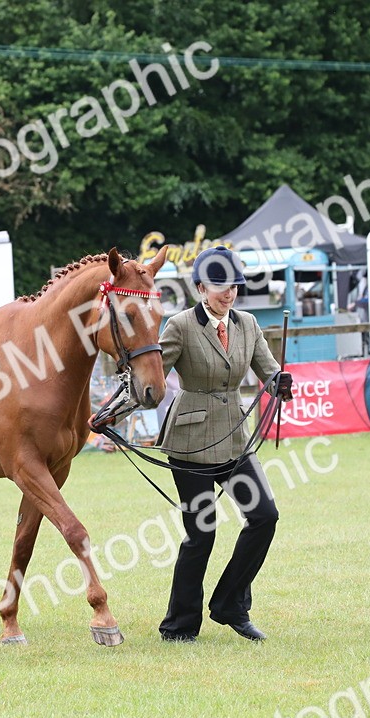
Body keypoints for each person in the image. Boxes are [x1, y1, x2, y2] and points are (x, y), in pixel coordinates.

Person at [157, 246, 294, 644]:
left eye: (234, 284)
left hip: (236, 439)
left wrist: (281, 383)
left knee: (265, 516)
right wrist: (117, 410)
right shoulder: (180, 325)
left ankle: (230, 605)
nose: (229, 292)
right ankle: (180, 625)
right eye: (220, 285)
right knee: (202, 534)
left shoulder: (248, 324)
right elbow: (152, 380)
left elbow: (269, 372)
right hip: (190, 443)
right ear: (200, 287)